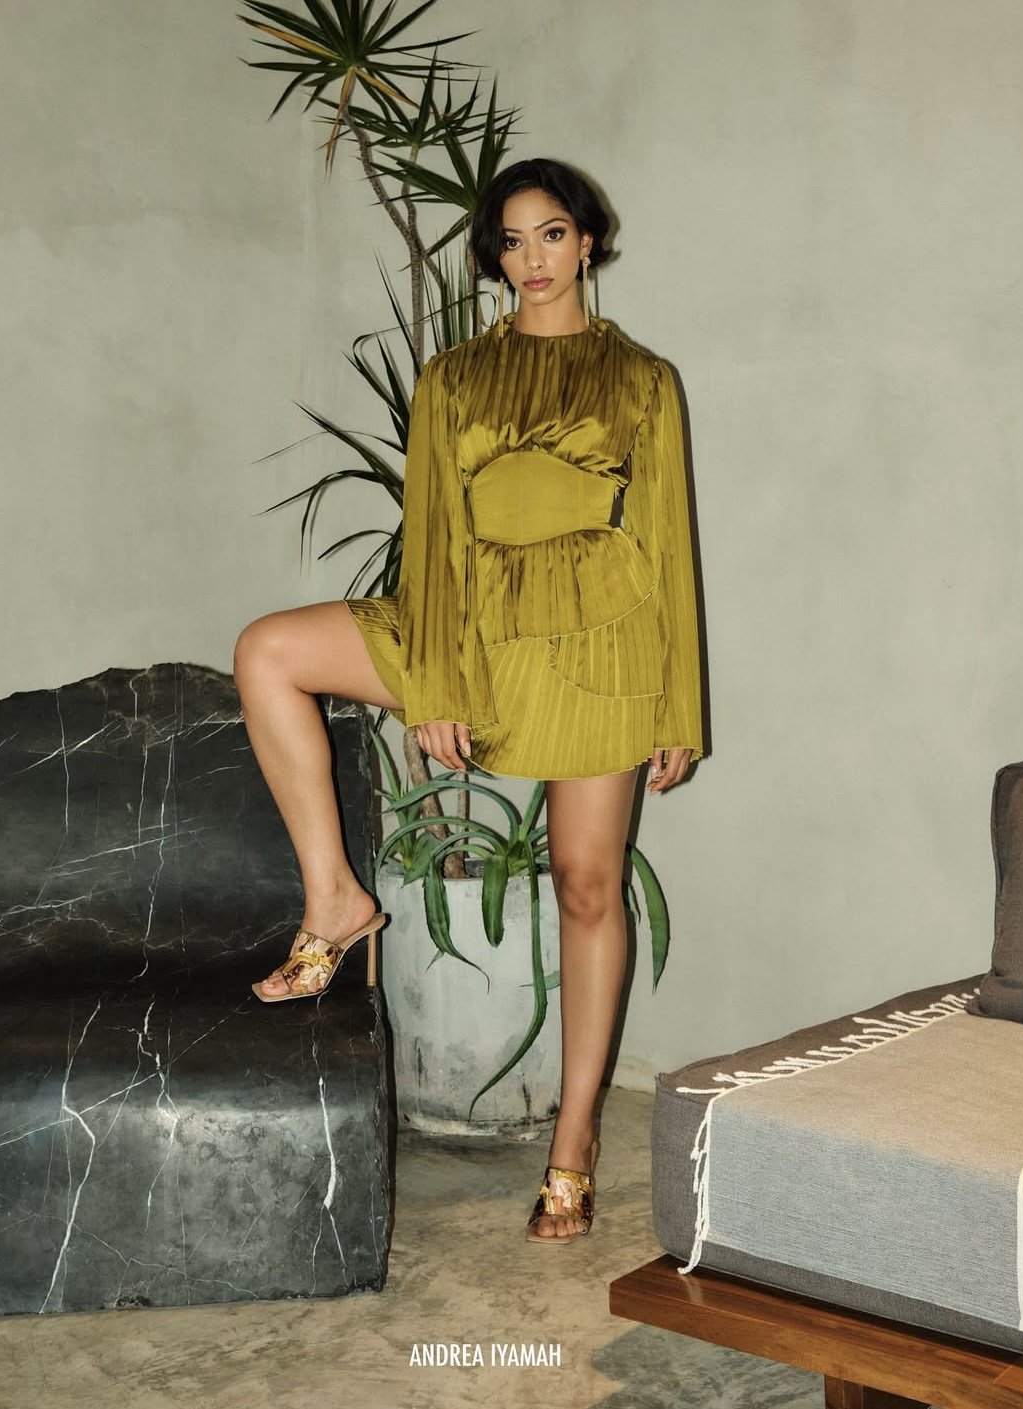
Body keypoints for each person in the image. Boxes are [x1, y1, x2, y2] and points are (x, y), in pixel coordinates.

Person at [233, 156, 704, 1245]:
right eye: (511, 240)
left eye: (552, 234)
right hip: (470, 620)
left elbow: (667, 541)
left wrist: (678, 705)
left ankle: (572, 1148)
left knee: (588, 886)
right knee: (270, 651)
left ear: (588, 240)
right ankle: (334, 900)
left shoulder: (644, 378)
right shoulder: (451, 378)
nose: (532, 259)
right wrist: (435, 682)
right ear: (492, 255)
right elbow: (433, 532)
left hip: (597, 633)